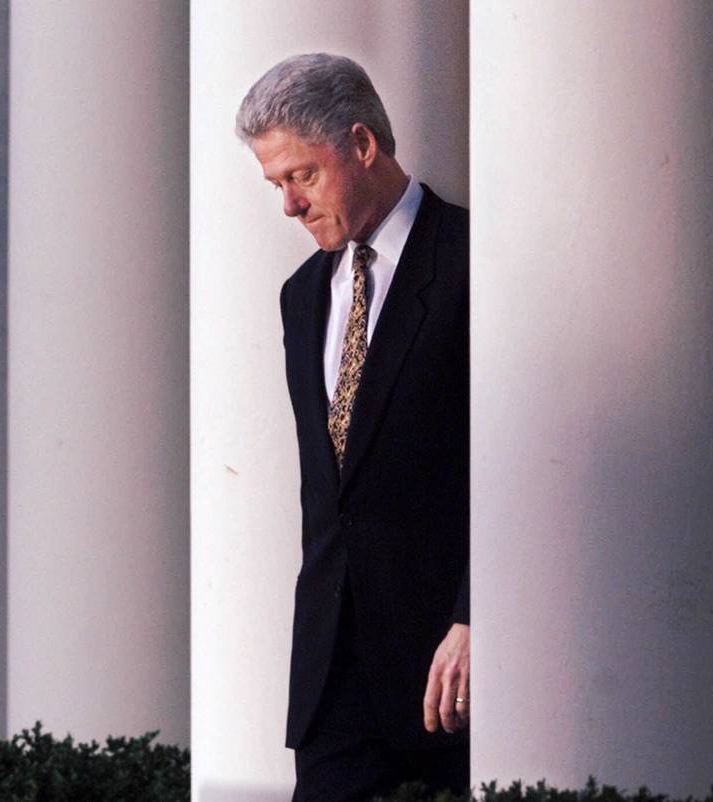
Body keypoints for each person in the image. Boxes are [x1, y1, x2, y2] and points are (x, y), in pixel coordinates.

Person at [236, 53, 470, 801]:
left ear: (363, 145)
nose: (289, 206)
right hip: (334, 679)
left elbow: (520, 463)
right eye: (276, 185)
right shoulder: (301, 296)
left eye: (301, 175)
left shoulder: (475, 263)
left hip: (449, 667)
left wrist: (479, 617)